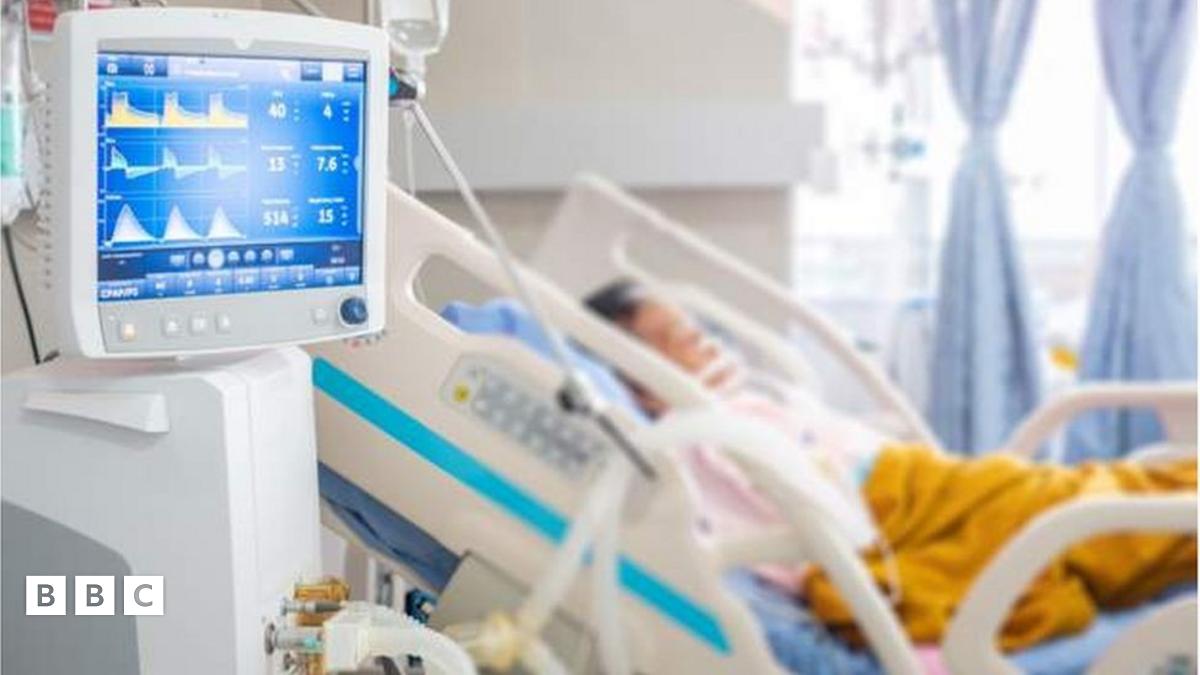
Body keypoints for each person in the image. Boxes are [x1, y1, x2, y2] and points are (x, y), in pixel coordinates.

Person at [584, 279, 1196, 652]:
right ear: (640, 383)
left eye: (697, 328)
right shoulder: (692, 443)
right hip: (893, 512)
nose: (703, 341)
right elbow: (771, 534)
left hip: (920, 483)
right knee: (1081, 512)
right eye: (677, 338)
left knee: (1082, 490)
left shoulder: (743, 406)